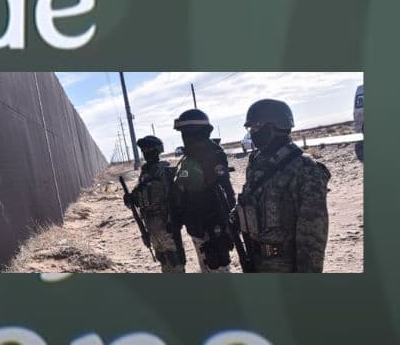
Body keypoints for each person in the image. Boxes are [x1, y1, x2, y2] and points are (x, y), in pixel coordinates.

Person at [234, 98, 331, 273]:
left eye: (257, 126)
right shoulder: (256, 163)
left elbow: (312, 237)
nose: (253, 132)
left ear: (277, 126)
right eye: (251, 128)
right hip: (256, 261)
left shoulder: (305, 168)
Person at [171, 108, 236, 273]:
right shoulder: (188, 158)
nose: (184, 137)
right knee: (206, 268)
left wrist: (226, 226)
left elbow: (226, 192)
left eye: (185, 133)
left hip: (214, 227)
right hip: (196, 226)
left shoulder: (213, 155)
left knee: (218, 269)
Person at [124, 135, 186, 272]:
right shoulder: (145, 172)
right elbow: (138, 196)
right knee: (163, 259)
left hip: (166, 223)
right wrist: (130, 199)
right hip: (151, 224)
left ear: (157, 150)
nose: (146, 153)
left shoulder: (163, 170)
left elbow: (173, 197)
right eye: (144, 151)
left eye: (149, 150)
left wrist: (173, 220)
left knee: (175, 260)